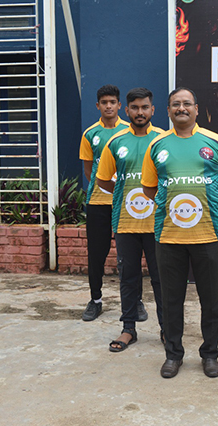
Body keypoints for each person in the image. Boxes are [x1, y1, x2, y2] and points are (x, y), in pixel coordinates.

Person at [141, 87, 218, 379]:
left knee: (211, 299)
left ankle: (210, 354)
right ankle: (173, 354)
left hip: (208, 235)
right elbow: (149, 188)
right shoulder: (157, 145)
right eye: (175, 104)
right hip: (169, 236)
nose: (181, 108)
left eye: (186, 104)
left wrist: (210, 207)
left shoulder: (216, 142)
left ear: (196, 108)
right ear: (168, 111)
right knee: (171, 300)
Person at [96, 87, 165, 352]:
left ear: (152, 110)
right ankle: (128, 329)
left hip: (158, 224)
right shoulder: (116, 142)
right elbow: (103, 180)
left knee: (161, 280)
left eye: (145, 107)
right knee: (128, 278)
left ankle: (167, 329)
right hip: (126, 223)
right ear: (127, 111)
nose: (140, 112)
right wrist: (124, 193)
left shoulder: (162, 140)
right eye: (134, 108)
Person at [79, 85, 145, 322]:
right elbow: (90, 171)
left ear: (120, 106)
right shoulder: (90, 134)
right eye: (104, 102)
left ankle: (136, 301)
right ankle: (95, 300)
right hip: (98, 201)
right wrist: (107, 189)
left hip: (128, 203)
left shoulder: (130, 131)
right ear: (98, 106)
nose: (108, 106)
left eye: (113, 102)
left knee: (131, 255)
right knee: (97, 253)